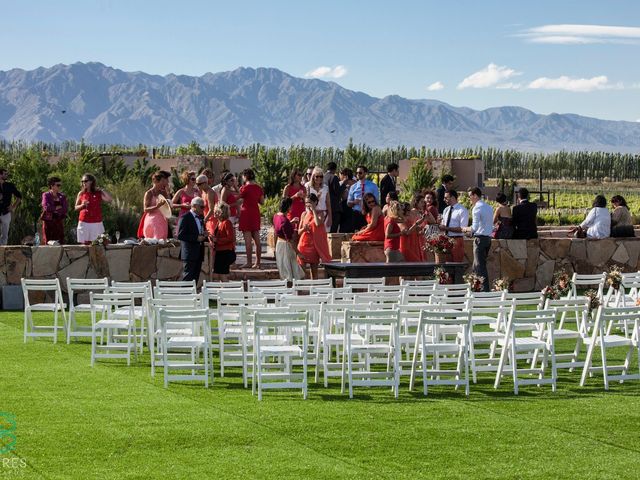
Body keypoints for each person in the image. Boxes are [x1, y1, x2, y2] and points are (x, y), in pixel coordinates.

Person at [297, 193, 332, 279]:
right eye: (306, 202)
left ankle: (314, 290)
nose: (307, 204)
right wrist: (304, 229)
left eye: (310, 202)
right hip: (303, 245)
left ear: (315, 202)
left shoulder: (321, 213)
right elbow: (299, 232)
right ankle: (300, 291)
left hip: (314, 246)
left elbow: (317, 223)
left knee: (314, 272)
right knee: (301, 272)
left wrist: (313, 210)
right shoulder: (304, 214)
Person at [465, 187, 494, 292]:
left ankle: (484, 290)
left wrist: (465, 229)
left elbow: (474, 227)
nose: (469, 199)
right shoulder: (489, 207)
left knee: (479, 266)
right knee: (476, 266)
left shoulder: (476, 208)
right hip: (488, 239)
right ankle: (474, 288)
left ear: (475, 195)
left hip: (480, 239)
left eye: (470, 196)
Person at [273, 198, 305, 281]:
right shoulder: (284, 221)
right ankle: (294, 291)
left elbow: (278, 230)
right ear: (288, 207)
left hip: (279, 245)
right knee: (290, 272)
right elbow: (290, 240)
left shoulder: (276, 216)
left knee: (284, 270)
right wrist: (298, 253)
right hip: (285, 247)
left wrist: (290, 222)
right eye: (291, 206)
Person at [75, 173, 112, 244]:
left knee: (97, 243)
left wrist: (102, 190)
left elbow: (109, 199)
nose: (83, 183)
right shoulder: (81, 193)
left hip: (96, 222)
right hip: (84, 222)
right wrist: (82, 205)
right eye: (82, 181)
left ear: (91, 181)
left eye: (85, 181)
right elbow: (76, 207)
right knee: (85, 244)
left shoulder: (98, 193)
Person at [239, 168, 264, 269]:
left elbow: (239, 199)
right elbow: (262, 202)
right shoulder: (259, 188)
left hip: (246, 214)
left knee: (248, 241)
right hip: (255, 213)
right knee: (257, 240)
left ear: (245, 176)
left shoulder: (244, 188)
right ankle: (258, 262)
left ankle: (249, 262)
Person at [177, 197, 207, 282]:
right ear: (194, 206)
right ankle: (185, 295)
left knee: (195, 278)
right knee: (187, 277)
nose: (203, 209)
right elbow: (180, 235)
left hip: (199, 252)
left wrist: (204, 235)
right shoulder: (185, 217)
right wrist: (196, 238)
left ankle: (193, 295)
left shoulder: (201, 217)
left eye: (203, 207)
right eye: (201, 207)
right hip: (189, 252)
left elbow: (199, 231)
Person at [438, 189, 468, 262]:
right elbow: (443, 225)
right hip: (446, 240)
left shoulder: (462, 210)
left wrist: (447, 228)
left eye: (446, 197)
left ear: (453, 197)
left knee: (457, 264)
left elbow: (463, 229)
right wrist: (439, 224)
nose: (444, 199)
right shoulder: (446, 210)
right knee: (447, 264)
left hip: (457, 240)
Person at [347, 165, 379, 231]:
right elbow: (348, 203)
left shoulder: (373, 186)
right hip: (356, 214)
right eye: (357, 173)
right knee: (356, 234)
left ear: (365, 173)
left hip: (369, 213)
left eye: (360, 173)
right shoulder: (353, 187)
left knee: (367, 233)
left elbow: (376, 202)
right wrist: (354, 202)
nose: (358, 174)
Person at [211, 203, 236, 282]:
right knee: (217, 274)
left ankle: (226, 292)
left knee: (222, 275)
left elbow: (231, 238)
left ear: (221, 213)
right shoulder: (218, 223)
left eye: (216, 212)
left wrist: (217, 240)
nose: (214, 213)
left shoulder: (227, 223)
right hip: (219, 251)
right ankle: (222, 291)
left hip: (225, 252)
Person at [40, 176, 68, 244]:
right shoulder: (46, 195)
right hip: (48, 222)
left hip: (58, 222)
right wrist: (56, 207)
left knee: (60, 241)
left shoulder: (62, 196)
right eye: (58, 185)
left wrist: (53, 208)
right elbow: (46, 207)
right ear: (52, 186)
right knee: (48, 241)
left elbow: (65, 209)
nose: (59, 187)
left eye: (60, 185)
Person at [142, 172, 170, 240]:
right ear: (156, 181)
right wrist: (157, 206)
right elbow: (145, 209)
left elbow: (169, 204)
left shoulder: (163, 192)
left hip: (162, 220)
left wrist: (168, 192)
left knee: (162, 242)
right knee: (153, 242)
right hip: (152, 221)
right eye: (162, 181)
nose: (164, 183)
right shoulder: (149, 193)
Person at [0, 168, 22, 245]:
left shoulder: (10, 185)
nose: (7, 175)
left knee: (5, 235)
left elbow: (19, 196)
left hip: (6, 212)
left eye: (7, 174)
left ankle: (2, 252)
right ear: (0, 174)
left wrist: (13, 207)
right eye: (5, 174)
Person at [325, 162, 343, 233]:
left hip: (324, 207)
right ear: (335, 169)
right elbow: (338, 192)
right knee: (333, 231)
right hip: (334, 207)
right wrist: (344, 184)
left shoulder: (323, 177)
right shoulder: (333, 177)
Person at [338, 168, 356, 233]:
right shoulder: (355, 183)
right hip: (351, 205)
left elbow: (339, 194)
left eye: (340, 174)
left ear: (344, 175)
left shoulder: (342, 183)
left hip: (347, 205)